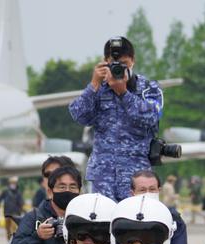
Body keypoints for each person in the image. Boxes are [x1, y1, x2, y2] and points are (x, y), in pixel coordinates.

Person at [69, 36, 163, 201]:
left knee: (136, 222)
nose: (120, 69)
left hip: (137, 176)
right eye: (114, 64)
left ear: (133, 61)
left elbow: (151, 118)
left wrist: (123, 93)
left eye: (124, 64)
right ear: (105, 61)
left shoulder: (148, 88)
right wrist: (93, 85)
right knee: (103, 223)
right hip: (103, 175)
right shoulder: (98, 89)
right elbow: (80, 116)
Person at [129, 170, 187, 244]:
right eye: (142, 190)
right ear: (132, 193)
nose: (148, 193)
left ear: (159, 190)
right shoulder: (123, 218)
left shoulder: (173, 219)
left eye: (152, 189)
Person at [0, 176, 24, 241]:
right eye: (12, 183)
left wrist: (21, 209)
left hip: (15, 213)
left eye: (14, 183)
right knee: (7, 227)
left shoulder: (18, 192)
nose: (13, 184)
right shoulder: (5, 191)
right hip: (7, 212)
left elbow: (21, 202)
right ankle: (9, 238)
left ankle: (13, 238)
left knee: (14, 227)